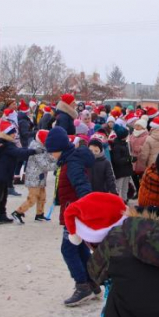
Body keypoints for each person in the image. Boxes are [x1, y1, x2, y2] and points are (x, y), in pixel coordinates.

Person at [45, 126, 96, 306]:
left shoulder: (72, 163)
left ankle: (83, 286)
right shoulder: (68, 160)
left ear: (59, 148)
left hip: (75, 214)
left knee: (68, 249)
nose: (51, 155)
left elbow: (82, 186)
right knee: (80, 247)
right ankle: (92, 282)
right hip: (73, 212)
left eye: (52, 152)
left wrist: (85, 209)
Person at [0, 121, 41, 226]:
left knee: (4, 195)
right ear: (7, 134)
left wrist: (30, 150)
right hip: (0, 174)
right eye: (12, 133)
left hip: (4, 174)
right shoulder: (6, 145)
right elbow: (19, 152)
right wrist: (33, 151)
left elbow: (20, 150)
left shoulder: (8, 144)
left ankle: (2, 215)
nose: (15, 135)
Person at [10, 130, 57, 223]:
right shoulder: (36, 150)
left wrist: (56, 158)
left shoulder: (42, 147)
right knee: (32, 198)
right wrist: (57, 164)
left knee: (42, 197)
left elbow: (49, 156)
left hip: (40, 177)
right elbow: (45, 165)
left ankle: (39, 214)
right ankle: (18, 212)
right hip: (34, 178)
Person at [110, 125, 134, 202]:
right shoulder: (117, 146)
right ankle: (118, 202)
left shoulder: (123, 143)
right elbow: (117, 160)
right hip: (120, 171)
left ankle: (124, 200)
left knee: (125, 187)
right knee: (119, 187)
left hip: (126, 170)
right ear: (123, 136)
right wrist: (130, 159)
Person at [128, 117, 149, 199]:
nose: (136, 127)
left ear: (143, 127)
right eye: (136, 125)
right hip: (133, 159)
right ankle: (138, 190)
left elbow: (146, 148)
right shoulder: (133, 134)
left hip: (142, 159)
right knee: (133, 175)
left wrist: (139, 148)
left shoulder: (146, 136)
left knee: (142, 177)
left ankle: (142, 193)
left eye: (138, 126)